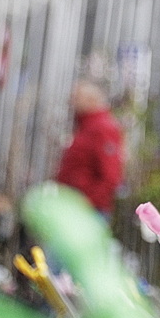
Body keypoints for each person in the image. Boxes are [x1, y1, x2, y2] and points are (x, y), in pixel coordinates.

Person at [53, 80, 125, 217]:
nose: (71, 102)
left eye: (76, 98)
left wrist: (89, 200)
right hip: (75, 205)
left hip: (88, 210)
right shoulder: (87, 126)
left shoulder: (102, 129)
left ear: (91, 100)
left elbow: (111, 175)